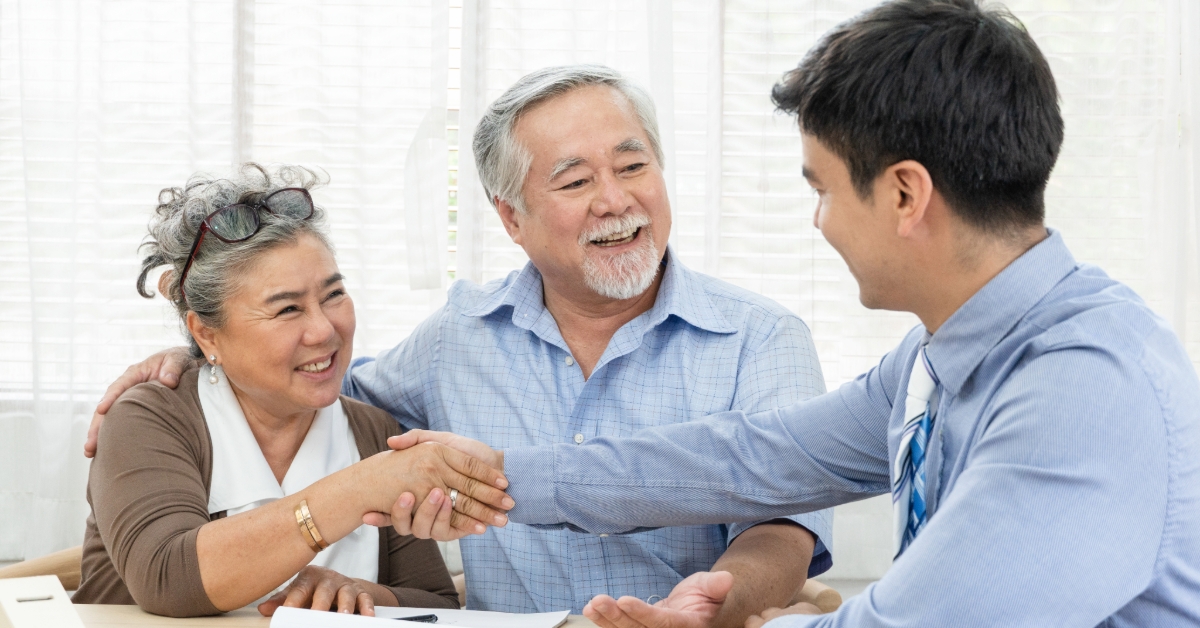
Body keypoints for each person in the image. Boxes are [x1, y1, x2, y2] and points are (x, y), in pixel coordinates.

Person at [386, 1, 1200, 626]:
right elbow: (747, 457)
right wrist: (497, 475)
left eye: (822, 189)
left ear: (905, 194)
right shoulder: (933, 359)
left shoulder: (1083, 384)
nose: (819, 223)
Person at [85, 67, 834, 627]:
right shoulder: (456, 339)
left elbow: (785, 526)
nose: (616, 199)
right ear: (511, 218)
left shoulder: (762, 339)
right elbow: (312, 386)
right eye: (575, 180)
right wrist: (188, 361)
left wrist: (710, 607)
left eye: (634, 166)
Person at [72, 165, 512, 618]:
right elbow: (168, 578)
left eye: (333, 294)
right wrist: (359, 489)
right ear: (207, 336)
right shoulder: (150, 417)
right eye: (287, 309)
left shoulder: (371, 429)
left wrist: (359, 591)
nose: (324, 330)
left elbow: (435, 601)